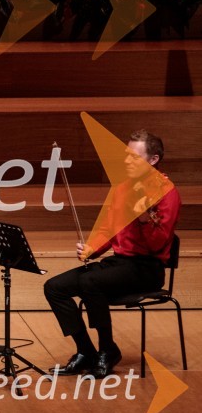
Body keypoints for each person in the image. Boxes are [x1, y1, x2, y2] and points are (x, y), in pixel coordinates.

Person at [44, 130, 180, 378]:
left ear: (153, 160)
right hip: (119, 264)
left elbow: (157, 244)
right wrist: (91, 249)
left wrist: (143, 220)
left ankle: (108, 349)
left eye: (134, 157)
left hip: (147, 268)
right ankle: (86, 351)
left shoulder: (166, 192)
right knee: (54, 287)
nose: (127, 161)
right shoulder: (122, 188)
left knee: (89, 281)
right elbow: (107, 228)